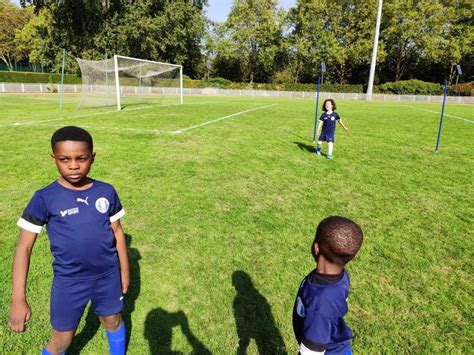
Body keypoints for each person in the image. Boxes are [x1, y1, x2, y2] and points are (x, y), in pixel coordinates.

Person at [8, 126, 129, 355]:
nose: (73, 165)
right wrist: (18, 299)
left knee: (112, 320)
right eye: (64, 159)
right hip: (69, 282)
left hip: (107, 276)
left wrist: (124, 272)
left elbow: (118, 233)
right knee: (62, 341)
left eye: (81, 158)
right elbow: (24, 248)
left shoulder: (106, 191)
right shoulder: (44, 198)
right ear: (54, 158)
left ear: (92, 157)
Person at [293, 216, 363, 355]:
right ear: (354, 256)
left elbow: (311, 351)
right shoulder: (342, 276)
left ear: (316, 247)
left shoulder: (320, 303)